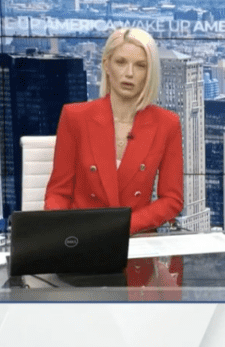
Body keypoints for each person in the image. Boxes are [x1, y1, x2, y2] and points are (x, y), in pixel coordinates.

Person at [44, 28, 183, 235]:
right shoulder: (74, 117)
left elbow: (172, 200)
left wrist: (123, 226)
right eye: (121, 62)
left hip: (135, 236)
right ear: (106, 65)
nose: (129, 73)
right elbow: (58, 193)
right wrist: (64, 235)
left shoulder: (167, 124)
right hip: (83, 236)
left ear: (150, 73)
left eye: (140, 65)